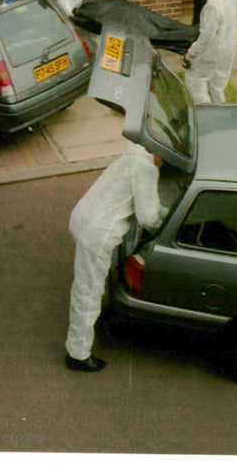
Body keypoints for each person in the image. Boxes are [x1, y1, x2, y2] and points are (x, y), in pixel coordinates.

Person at [65, 143, 165, 372]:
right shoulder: (146, 168)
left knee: (89, 284)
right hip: (97, 233)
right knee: (88, 291)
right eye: (163, 160)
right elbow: (148, 217)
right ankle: (77, 354)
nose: (162, 164)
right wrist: (166, 219)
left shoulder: (131, 156)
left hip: (84, 218)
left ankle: (88, 331)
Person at [183, 0, 237, 104]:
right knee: (217, 85)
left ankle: (205, 111)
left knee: (195, 80)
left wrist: (192, 52)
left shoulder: (212, 5)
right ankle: (220, 111)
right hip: (229, 47)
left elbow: (207, 35)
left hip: (213, 49)